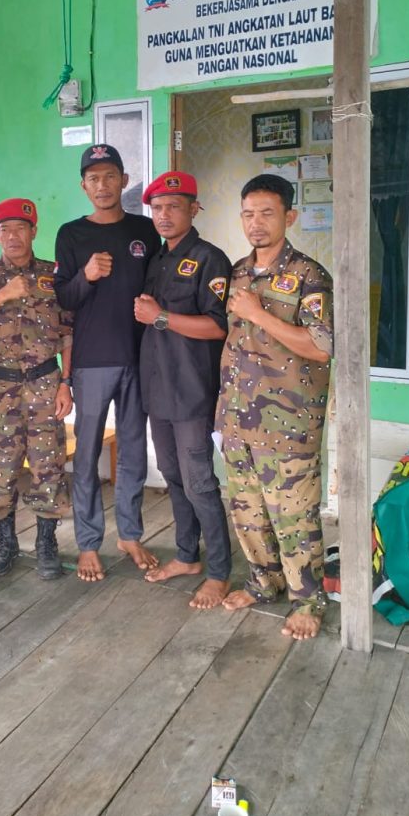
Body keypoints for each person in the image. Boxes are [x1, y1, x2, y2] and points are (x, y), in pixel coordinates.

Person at [216, 173, 333, 640]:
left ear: (290, 217)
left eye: (267, 213)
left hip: (288, 423)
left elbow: (322, 346)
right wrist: (222, 409)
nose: (256, 223)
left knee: (294, 515)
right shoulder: (239, 273)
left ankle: (308, 599)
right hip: (239, 419)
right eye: (248, 214)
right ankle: (264, 584)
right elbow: (232, 345)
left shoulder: (310, 275)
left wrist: (260, 313)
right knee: (246, 509)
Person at [54, 144, 161, 582]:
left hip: (140, 357)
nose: (102, 185)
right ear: (84, 186)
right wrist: (86, 276)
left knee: (134, 450)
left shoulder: (145, 229)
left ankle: (131, 534)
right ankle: (88, 542)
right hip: (92, 361)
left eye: (110, 176)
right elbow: (62, 298)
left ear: (123, 180)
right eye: (93, 178)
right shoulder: (71, 233)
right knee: (87, 456)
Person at [0, 198, 73, 580]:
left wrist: (66, 384)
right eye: (5, 230)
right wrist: (4, 294)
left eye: (21, 228)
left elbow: (69, 333)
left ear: (34, 231)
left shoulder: (55, 276)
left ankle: (46, 544)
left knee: (47, 468)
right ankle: (5, 543)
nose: (13, 236)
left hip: (43, 383)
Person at [134, 171, 232, 609]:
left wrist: (160, 317)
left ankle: (219, 571)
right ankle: (188, 556)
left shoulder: (210, 258)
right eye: (157, 207)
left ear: (195, 209)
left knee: (199, 483)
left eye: (175, 206)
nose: (165, 214)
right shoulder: (156, 259)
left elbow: (217, 326)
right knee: (174, 477)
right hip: (159, 390)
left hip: (192, 392)